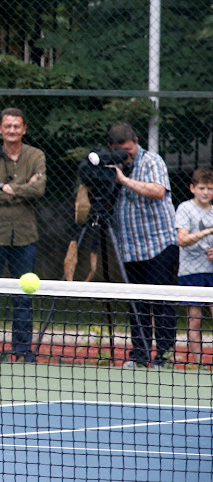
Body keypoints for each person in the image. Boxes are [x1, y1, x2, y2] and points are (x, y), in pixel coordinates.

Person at [0, 108, 46, 362]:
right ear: (1, 130)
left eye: (17, 126)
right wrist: (22, 188)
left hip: (25, 236)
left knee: (24, 296)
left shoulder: (36, 155)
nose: (12, 130)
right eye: (8, 126)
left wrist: (5, 188)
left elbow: (39, 189)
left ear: (24, 129)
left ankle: (22, 350)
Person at [108, 123, 178, 369]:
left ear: (135, 141)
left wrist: (124, 180)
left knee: (161, 301)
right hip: (129, 248)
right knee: (136, 304)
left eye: (128, 150)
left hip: (159, 244)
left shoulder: (152, 161)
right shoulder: (113, 166)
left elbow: (158, 191)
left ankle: (164, 355)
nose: (126, 155)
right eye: (121, 151)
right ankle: (140, 355)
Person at [175, 167, 213, 370]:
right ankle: (200, 365)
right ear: (192, 188)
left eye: (210, 188)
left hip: (212, 273)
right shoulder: (184, 209)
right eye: (202, 188)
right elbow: (182, 239)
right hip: (191, 273)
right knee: (195, 321)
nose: (206, 192)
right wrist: (206, 232)